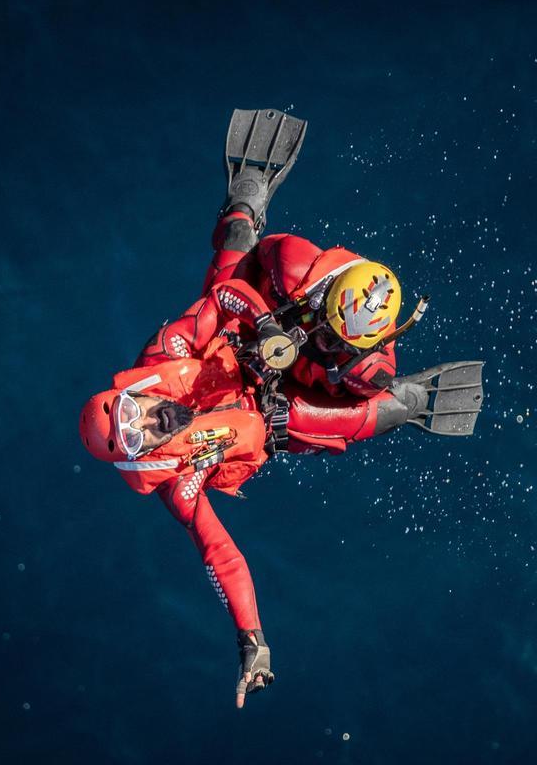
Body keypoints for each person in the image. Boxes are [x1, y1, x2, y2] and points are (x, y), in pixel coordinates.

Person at [79, 109, 484, 708]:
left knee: (237, 253)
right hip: (274, 411)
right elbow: (224, 558)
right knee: (347, 414)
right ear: (138, 459)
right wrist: (253, 643)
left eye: (133, 410)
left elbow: (219, 297)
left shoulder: (163, 352)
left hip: (243, 339)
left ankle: (248, 193)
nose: (149, 422)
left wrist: (266, 323)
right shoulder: (180, 487)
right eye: (137, 438)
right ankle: (417, 401)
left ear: (132, 391)